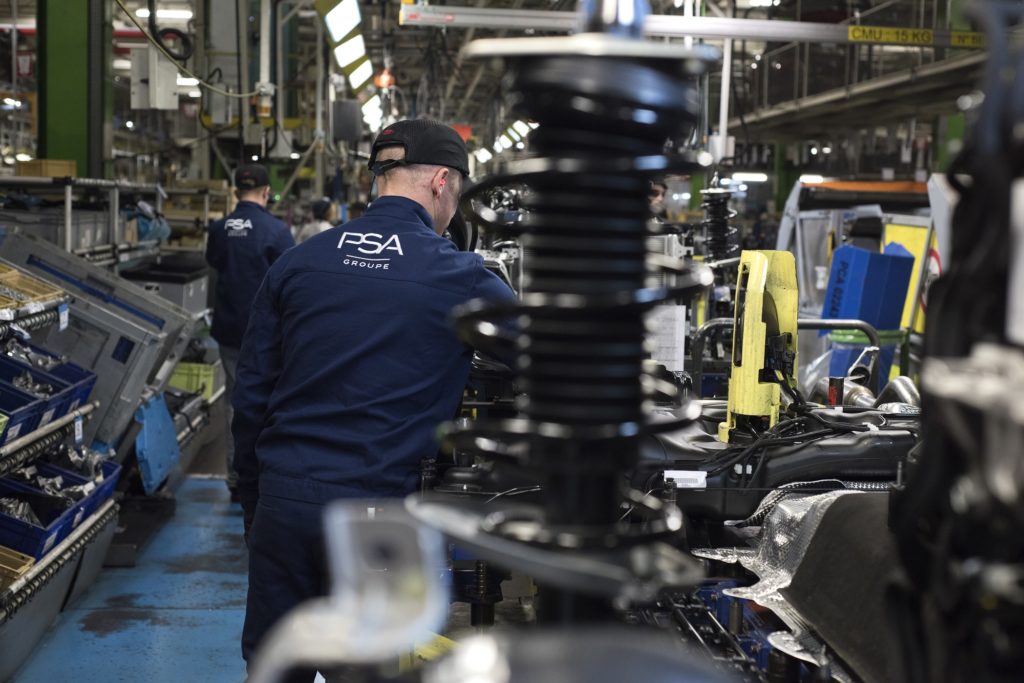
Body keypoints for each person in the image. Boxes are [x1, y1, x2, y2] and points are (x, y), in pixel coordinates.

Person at [233, 119, 515, 679]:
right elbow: (545, 357)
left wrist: (253, 496)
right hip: (376, 518)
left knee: (272, 667)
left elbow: (251, 395)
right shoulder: (462, 276)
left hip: (284, 503)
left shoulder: (299, 261)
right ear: (441, 182)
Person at [205, 163, 295, 500]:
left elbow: (214, 263)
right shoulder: (276, 231)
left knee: (234, 401)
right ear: (267, 192)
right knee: (271, 398)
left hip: (228, 328)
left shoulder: (219, 229)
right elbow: (289, 278)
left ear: (235, 191)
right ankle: (266, 475)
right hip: (267, 331)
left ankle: (236, 477)